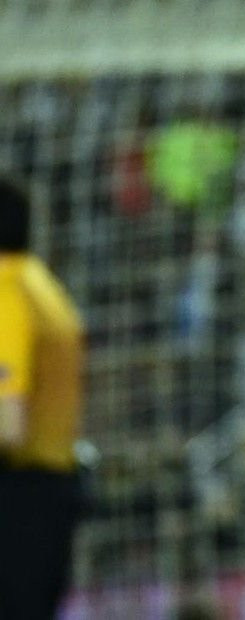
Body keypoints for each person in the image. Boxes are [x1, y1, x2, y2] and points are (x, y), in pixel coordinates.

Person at [0, 174, 86, 620]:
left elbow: (7, 424)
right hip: (50, 493)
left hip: (17, 498)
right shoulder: (43, 286)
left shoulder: (6, 291)